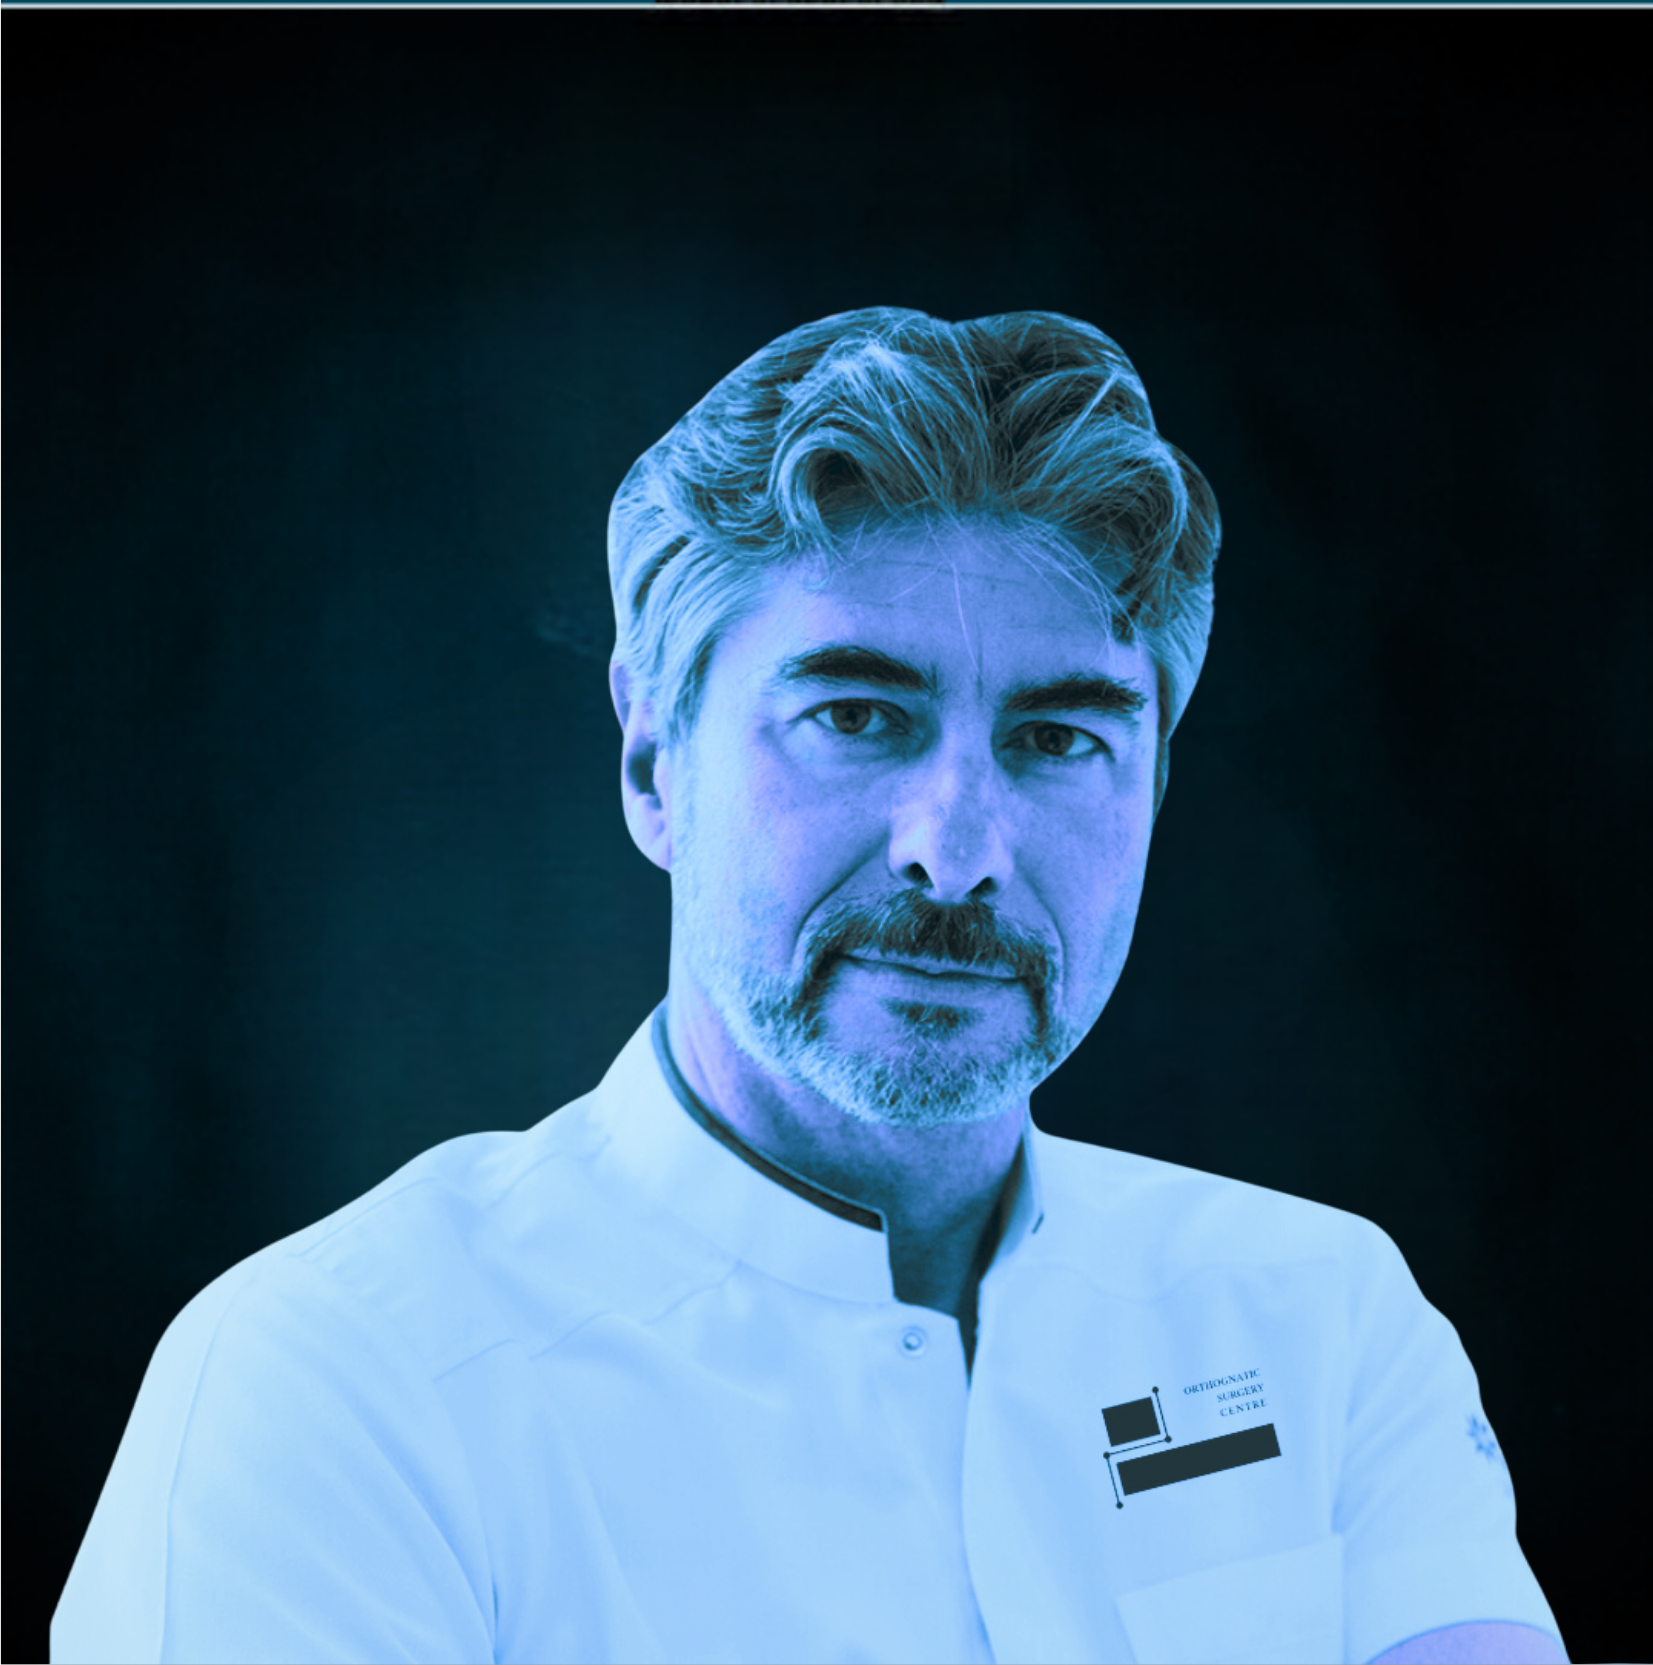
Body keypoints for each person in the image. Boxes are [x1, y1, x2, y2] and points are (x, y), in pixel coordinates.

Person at [52, 309, 1566, 1665]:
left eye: (1059, 740)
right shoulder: (340, 1385)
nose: (957, 854)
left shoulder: (1321, 1318)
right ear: (654, 762)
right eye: (855, 714)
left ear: (1154, 789)